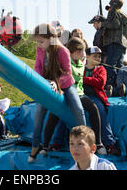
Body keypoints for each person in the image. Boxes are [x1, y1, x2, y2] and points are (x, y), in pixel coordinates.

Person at [28, 24, 86, 163]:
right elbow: (37, 67)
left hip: (65, 84)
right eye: (37, 41)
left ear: (51, 39)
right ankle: (35, 145)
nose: (39, 45)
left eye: (41, 41)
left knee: (78, 109)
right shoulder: (40, 50)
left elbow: (67, 72)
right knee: (39, 113)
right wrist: (41, 83)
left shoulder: (63, 51)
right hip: (47, 84)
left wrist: (57, 82)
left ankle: (84, 141)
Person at [46, 37, 105, 154]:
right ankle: (45, 144)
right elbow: (59, 74)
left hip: (79, 94)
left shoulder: (81, 63)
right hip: (64, 93)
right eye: (83, 51)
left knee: (93, 108)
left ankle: (97, 143)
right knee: (53, 115)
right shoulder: (64, 62)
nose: (84, 54)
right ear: (76, 52)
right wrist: (54, 81)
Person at [83, 46, 118, 155]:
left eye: (99, 56)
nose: (98, 59)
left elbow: (100, 82)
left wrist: (83, 79)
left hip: (95, 96)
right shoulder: (81, 68)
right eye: (95, 56)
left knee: (100, 112)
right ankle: (56, 142)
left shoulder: (101, 69)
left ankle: (109, 143)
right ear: (87, 57)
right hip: (81, 96)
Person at [100, 0, 127, 96]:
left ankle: (111, 86)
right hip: (122, 43)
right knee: (119, 65)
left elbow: (115, 24)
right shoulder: (122, 15)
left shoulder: (114, 13)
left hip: (113, 41)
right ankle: (120, 86)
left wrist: (103, 23)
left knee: (110, 64)